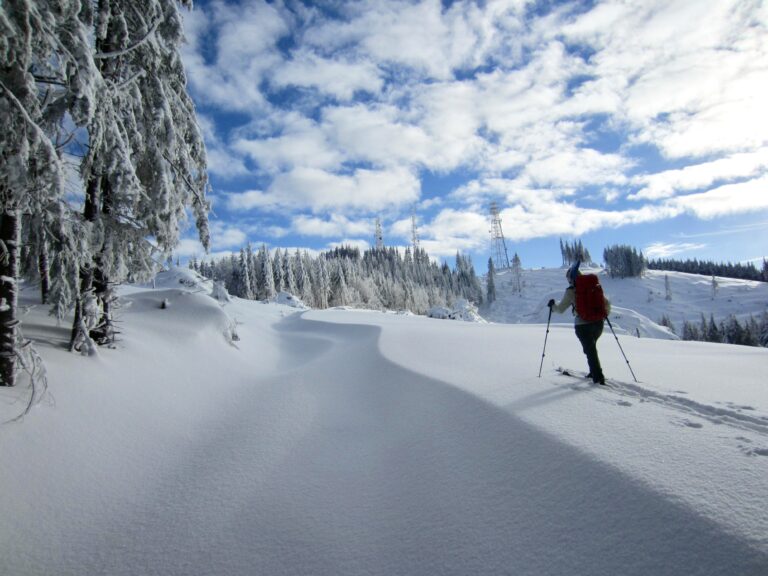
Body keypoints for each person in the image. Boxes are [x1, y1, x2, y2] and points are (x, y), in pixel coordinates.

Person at [548, 264, 611, 385]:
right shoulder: (593, 286)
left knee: (590, 350)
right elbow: (606, 304)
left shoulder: (571, 291)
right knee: (591, 349)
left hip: (582, 326)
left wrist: (552, 306)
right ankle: (594, 371)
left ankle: (598, 378)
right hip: (598, 325)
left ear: (571, 279)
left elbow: (560, 309)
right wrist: (602, 317)